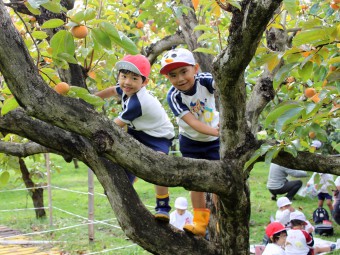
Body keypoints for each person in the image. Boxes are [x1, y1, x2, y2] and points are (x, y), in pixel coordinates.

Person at [95, 54, 175, 222]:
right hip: (138, 131)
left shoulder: (137, 102)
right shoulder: (124, 89)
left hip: (158, 136)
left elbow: (114, 126)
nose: (127, 82)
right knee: (126, 159)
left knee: (159, 165)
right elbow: (111, 90)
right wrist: (92, 98)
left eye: (134, 78)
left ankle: (163, 206)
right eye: (124, 76)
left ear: (144, 82)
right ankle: (125, 184)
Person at [160, 47, 219, 236]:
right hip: (191, 141)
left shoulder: (206, 80)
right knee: (195, 183)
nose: (180, 79)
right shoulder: (174, 96)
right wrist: (219, 133)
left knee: (219, 182)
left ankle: (220, 220)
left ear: (196, 68)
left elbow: (225, 87)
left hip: (214, 140)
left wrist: (220, 133)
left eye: (184, 71)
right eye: (173, 75)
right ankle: (200, 223)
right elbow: (192, 123)